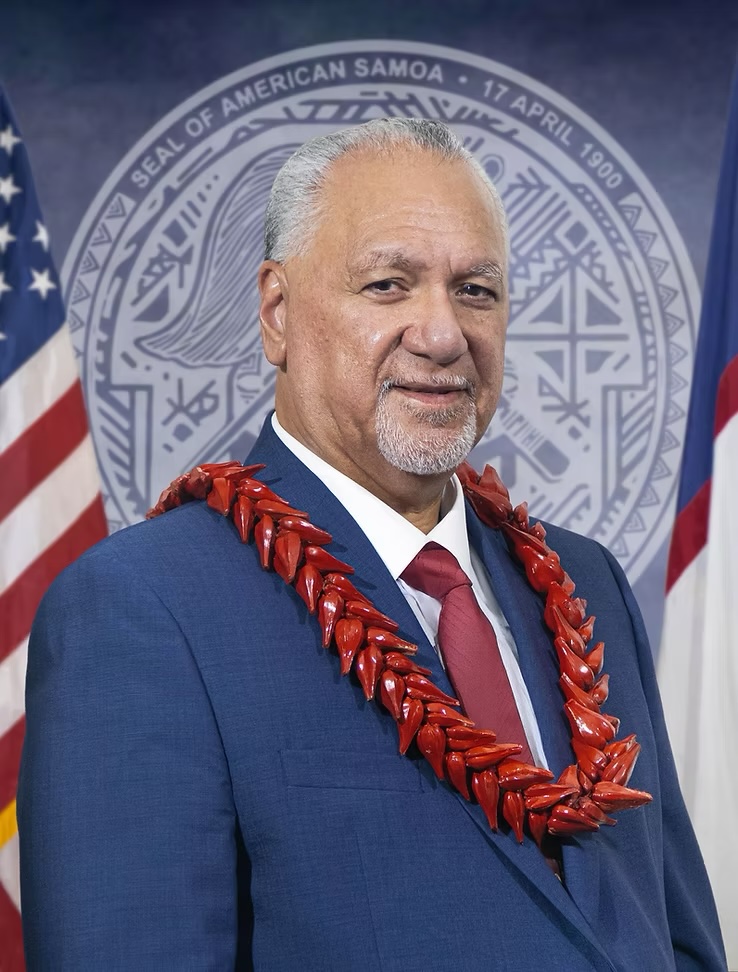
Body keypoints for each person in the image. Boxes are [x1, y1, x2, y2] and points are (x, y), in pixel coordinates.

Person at [18, 118, 726, 971]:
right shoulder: (145, 608)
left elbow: (678, 943)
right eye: (388, 285)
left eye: (476, 290)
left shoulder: (587, 583)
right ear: (277, 312)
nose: (443, 334)